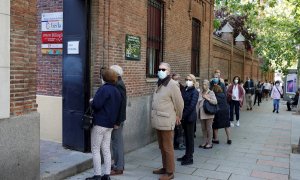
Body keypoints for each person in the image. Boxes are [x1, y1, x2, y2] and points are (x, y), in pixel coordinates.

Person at [86, 69, 122, 180]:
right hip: (110, 124)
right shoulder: (117, 90)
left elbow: (96, 105)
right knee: (106, 148)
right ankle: (106, 175)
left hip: (100, 123)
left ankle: (97, 175)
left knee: (95, 148)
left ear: (104, 78)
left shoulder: (104, 89)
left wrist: (92, 101)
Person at [152, 62, 184, 180]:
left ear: (169, 71)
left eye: (163, 69)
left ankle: (170, 172)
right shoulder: (160, 83)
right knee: (161, 146)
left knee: (168, 147)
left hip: (166, 120)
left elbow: (179, 103)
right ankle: (165, 167)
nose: (161, 71)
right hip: (158, 119)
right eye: (159, 69)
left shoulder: (172, 84)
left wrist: (178, 116)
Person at [177, 74, 199, 165]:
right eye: (186, 79)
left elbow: (191, 106)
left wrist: (182, 116)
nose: (187, 81)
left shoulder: (195, 92)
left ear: (193, 82)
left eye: (190, 80)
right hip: (184, 117)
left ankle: (190, 157)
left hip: (189, 118)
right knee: (186, 137)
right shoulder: (185, 89)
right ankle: (186, 154)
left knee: (190, 138)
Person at [110, 65, 127, 176]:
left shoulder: (119, 85)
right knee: (116, 142)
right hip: (117, 119)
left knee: (117, 143)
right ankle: (118, 164)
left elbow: (121, 105)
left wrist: (117, 122)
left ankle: (118, 167)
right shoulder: (118, 83)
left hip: (118, 120)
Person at [198, 79, 217, 149]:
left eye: (205, 84)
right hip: (202, 113)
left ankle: (209, 143)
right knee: (203, 128)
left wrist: (208, 99)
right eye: (203, 84)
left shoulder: (211, 92)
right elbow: (198, 102)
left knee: (209, 128)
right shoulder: (200, 92)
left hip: (209, 113)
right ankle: (204, 142)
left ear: (208, 85)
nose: (204, 86)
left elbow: (215, 102)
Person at [211, 81, 231, 145]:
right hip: (226, 110)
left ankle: (216, 139)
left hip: (218, 111)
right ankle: (229, 139)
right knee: (226, 126)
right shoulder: (223, 95)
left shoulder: (215, 96)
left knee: (215, 126)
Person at [171, 73, 185, 151]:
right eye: (174, 79)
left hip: (178, 112)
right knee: (174, 129)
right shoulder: (170, 87)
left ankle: (180, 143)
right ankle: (174, 144)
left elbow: (181, 102)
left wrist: (179, 114)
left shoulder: (182, 88)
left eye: (177, 79)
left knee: (179, 129)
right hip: (171, 112)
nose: (176, 80)